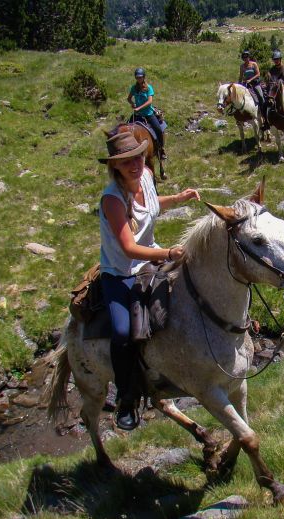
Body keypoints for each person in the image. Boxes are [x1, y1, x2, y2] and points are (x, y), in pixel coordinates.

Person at [98, 132, 200, 430]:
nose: (135, 164)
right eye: (126, 161)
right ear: (115, 166)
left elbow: (152, 203)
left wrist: (177, 199)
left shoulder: (144, 176)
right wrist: (167, 252)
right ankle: (126, 399)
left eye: (138, 157)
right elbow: (128, 248)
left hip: (151, 258)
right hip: (121, 273)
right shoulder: (112, 200)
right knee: (121, 331)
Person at [127, 67, 167, 160]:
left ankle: (161, 150)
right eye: (137, 77)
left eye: (140, 77)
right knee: (126, 128)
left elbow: (149, 101)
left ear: (144, 77)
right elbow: (128, 98)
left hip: (148, 114)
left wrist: (139, 108)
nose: (139, 79)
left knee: (158, 130)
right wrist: (132, 104)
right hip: (137, 114)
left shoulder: (149, 88)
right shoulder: (134, 88)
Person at [239, 50, 266, 118]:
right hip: (246, 84)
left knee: (260, 95)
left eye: (246, 57)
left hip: (255, 83)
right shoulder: (242, 66)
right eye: (244, 57)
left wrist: (250, 80)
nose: (245, 59)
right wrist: (239, 84)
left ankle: (263, 112)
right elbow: (241, 76)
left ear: (249, 57)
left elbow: (258, 74)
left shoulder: (254, 64)